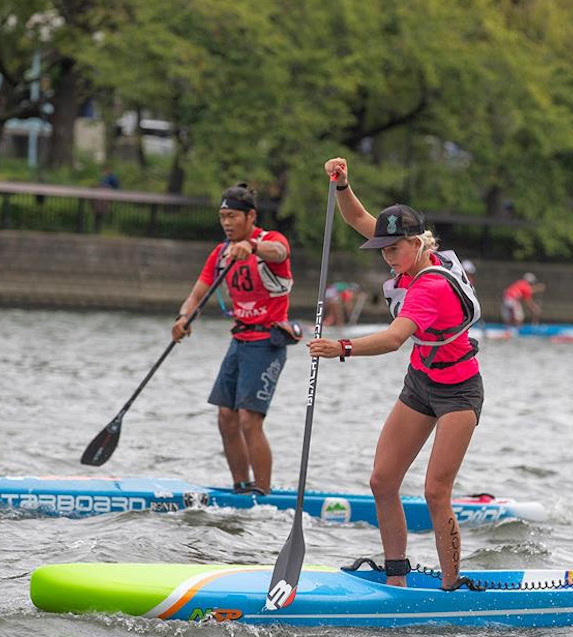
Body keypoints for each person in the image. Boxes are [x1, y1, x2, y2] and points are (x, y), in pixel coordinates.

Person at [307, 157, 483, 592]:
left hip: (459, 391)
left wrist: (341, 347)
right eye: (383, 250)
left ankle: (451, 586)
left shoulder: (430, 286)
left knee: (435, 492)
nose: (388, 256)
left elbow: (392, 339)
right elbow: (360, 219)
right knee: (382, 480)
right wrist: (343, 185)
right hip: (422, 384)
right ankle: (396, 580)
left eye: (393, 249)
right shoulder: (413, 253)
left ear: (419, 244)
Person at [172, 183, 297, 496]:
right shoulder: (220, 253)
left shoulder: (270, 241)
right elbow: (197, 294)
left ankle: (263, 494)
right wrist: (183, 318)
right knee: (226, 417)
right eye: (222, 217)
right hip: (239, 340)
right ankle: (242, 488)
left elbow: (280, 252)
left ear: (250, 216)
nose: (226, 223)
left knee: (248, 419)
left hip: (268, 341)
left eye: (232, 216)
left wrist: (252, 247)